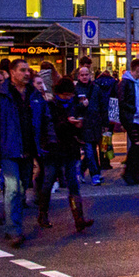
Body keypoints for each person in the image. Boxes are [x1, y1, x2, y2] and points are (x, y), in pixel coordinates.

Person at [0, 58, 51, 247]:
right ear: (12, 72)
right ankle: (14, 229)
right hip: (8, 149)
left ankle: (13, 224)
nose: (27, 73)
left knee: (22, 189)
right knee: (13, 188)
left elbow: (46, 119)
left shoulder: (35, 95)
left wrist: (48, 141)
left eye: (28, 70)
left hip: (28, 149)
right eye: (22, 70)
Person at [37, 77, 94, 233]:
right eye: (66, 95)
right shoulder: (50, 106)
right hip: (54, 149)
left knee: (73, 184)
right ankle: (43, 214)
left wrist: (78, 126)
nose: (68, 98)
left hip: (69, 149)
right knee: (48, 182)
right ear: (59, 93)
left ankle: (79, 218)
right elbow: (50, 127)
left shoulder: (73, 106)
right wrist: (68, 123)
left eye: (70, 95)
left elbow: (77, 128)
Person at [115, 59, 139, 186]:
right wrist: (135, 109)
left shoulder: (137, 82)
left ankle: (135, 172)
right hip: (132, 119)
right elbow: (122, 101)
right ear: (137, 68)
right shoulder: (125, 83)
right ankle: (129, 173)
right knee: (136, 145)